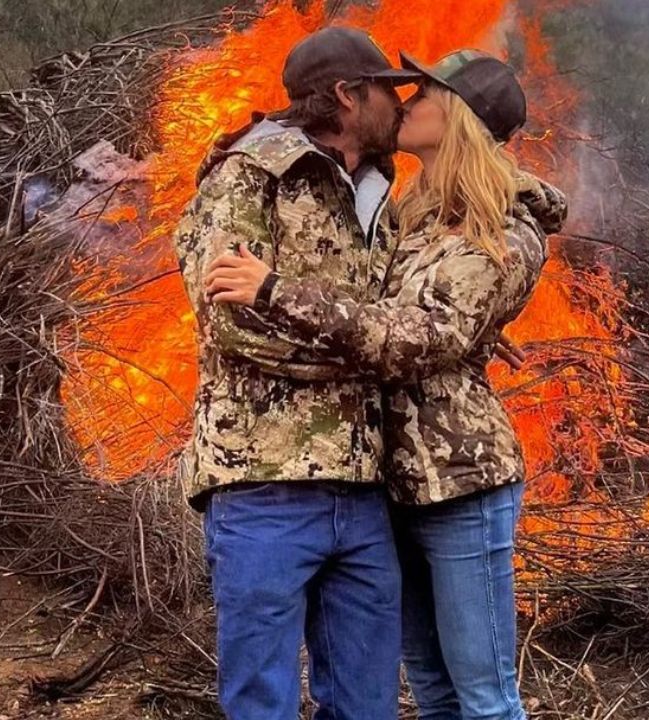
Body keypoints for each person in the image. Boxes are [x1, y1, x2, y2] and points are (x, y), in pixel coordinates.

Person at [203, 49, 567, 720]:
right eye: (401, 91)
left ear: (456, 117)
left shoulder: (507, 226)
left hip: (462, 481)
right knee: (431, 690)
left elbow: (425, 336)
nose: (405, 103)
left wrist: (276, 293)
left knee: (485, 698)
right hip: (393, 482)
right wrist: (461, 338)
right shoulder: (416, 212)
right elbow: (394, 314)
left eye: (421, 92)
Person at [171, 26, 421, 720]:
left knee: (368, 706)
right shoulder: (249, 174)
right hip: (262, 488)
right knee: (263, 705)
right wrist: (367, 350)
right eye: (387, 91)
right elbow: (233, 323)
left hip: (364, 490)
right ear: (347, 94)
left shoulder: (376, 192)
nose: (400, 106)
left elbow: (397, 321)